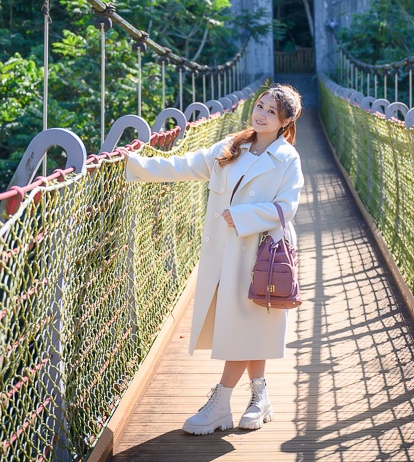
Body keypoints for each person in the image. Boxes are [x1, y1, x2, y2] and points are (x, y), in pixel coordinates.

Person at [123, 84, 304, 434]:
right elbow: (186, 165)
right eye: (260, 105)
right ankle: (260, 395)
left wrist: (245, 215)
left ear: (285, 122)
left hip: (260, 254)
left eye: (270, 111)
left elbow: (287, 207)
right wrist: (136, 164)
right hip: (226, 251)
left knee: (245, 323)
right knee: (249, 324)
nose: (261, 114)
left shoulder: (287, 159)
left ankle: (221, 403)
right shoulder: (232, 146)